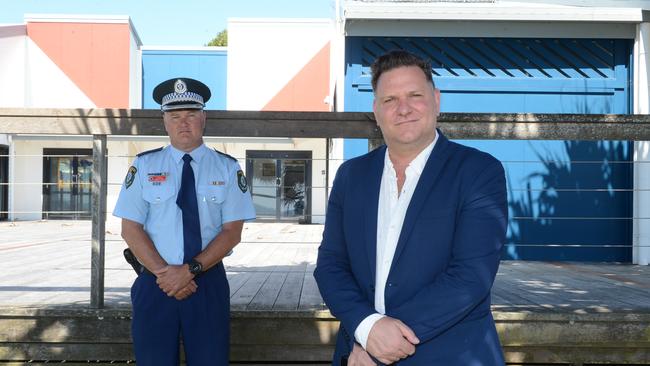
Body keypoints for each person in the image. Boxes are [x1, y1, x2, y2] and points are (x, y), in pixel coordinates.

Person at [314, 50, 507, 365]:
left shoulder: (478, 171)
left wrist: (380, 344)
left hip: (450, 354)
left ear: (436, 100)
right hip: (357, 352)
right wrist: (366, 327)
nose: (403, 108)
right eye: (390, 100)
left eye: (415, 95)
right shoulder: (351, 175)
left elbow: (470, 276)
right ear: (376, 111)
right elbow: (331, 266)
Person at [113, 77, 255, 365]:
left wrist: (188, 270)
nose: (183, 123)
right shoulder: (143, 166)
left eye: (191, 115)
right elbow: (130, 228)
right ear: (164, 121)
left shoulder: (227, 168)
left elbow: (232, 232)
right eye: (175, 116)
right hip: (154, 282)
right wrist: (166, 273)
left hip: (207, 283)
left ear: (204, 117)